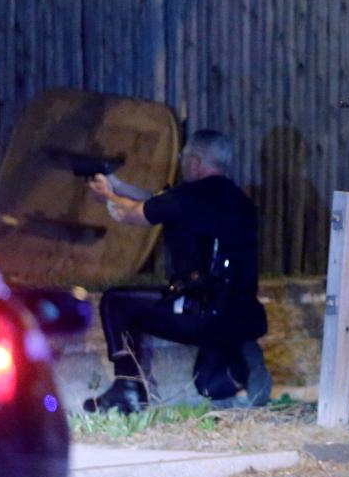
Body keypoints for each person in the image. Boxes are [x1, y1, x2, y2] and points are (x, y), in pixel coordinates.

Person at [83, 130, 271, 414]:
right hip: (240, 314)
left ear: (195, 162)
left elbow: (131, 214)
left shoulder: (188, 197)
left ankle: (129, 387)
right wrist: (118, 185)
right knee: (209, 384)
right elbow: (160, 201)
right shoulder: (239, 201)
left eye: (184, 158)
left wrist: (107, 196)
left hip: (200, 313)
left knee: (115, 302)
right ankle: (243, 360)